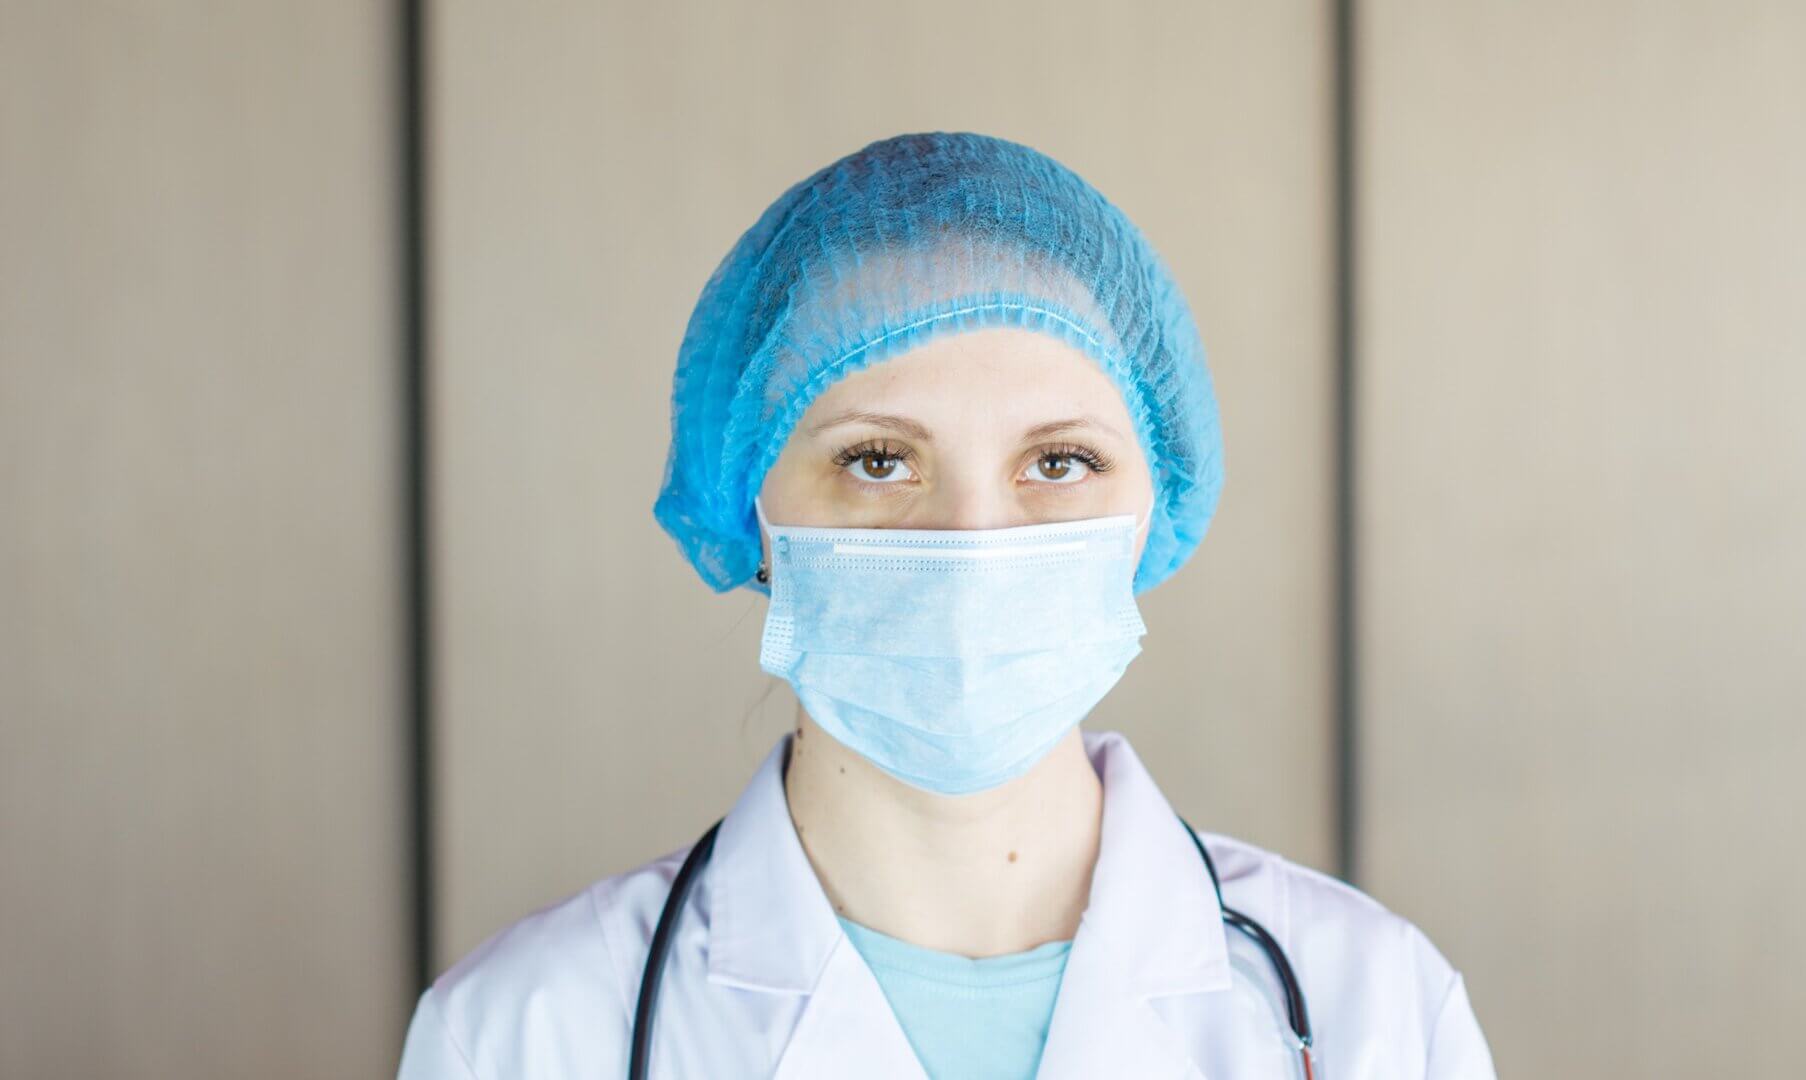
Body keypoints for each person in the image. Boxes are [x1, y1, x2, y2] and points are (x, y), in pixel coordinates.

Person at [396, 131, 1497, 1079]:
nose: (973, 545)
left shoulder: (1376, 1011)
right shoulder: (526, 1035)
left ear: (1152, 506)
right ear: (751, 507)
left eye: (1059, 463)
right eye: (878, 461)